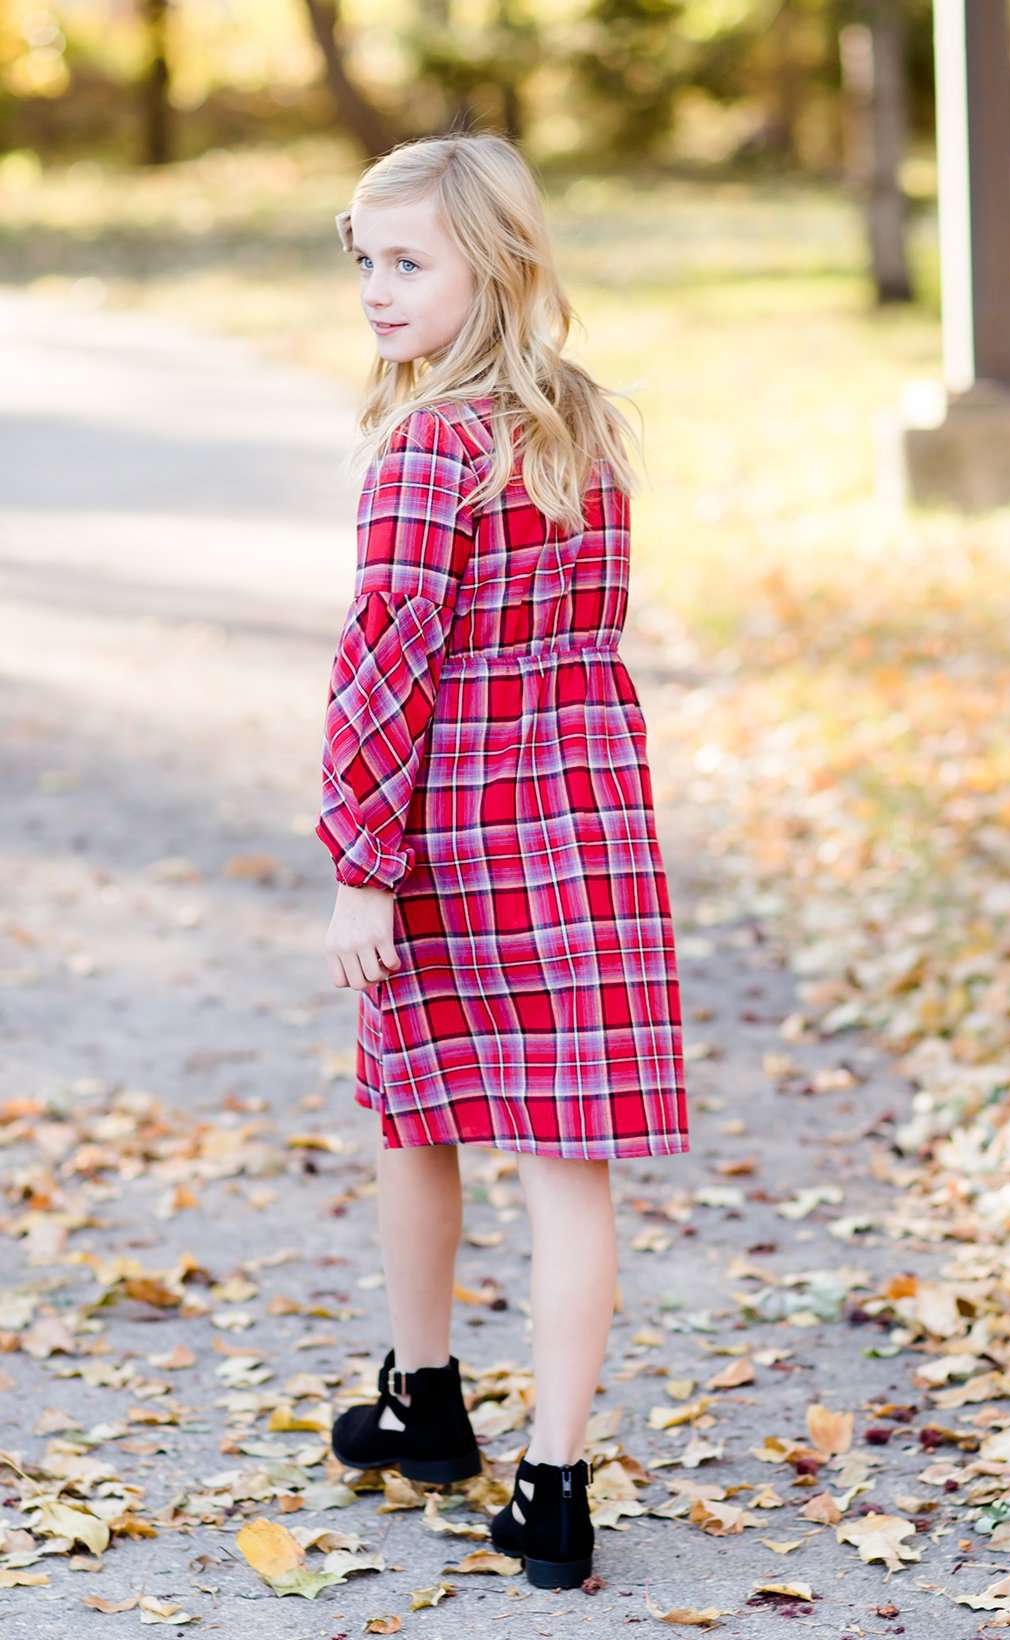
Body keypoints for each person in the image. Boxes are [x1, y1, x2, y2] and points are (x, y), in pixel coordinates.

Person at [312, 128, 689, 1590]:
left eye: (409, 262)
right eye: (364, 261)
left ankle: (428, 1396)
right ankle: (549, 1480)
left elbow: (386, 664)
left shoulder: (427, 449)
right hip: (588, 834)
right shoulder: (583, 431)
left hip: (454, 841)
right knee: (564, 1163)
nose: (377, 291)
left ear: (498, 264)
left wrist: (361, 862)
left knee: (421, 1108)